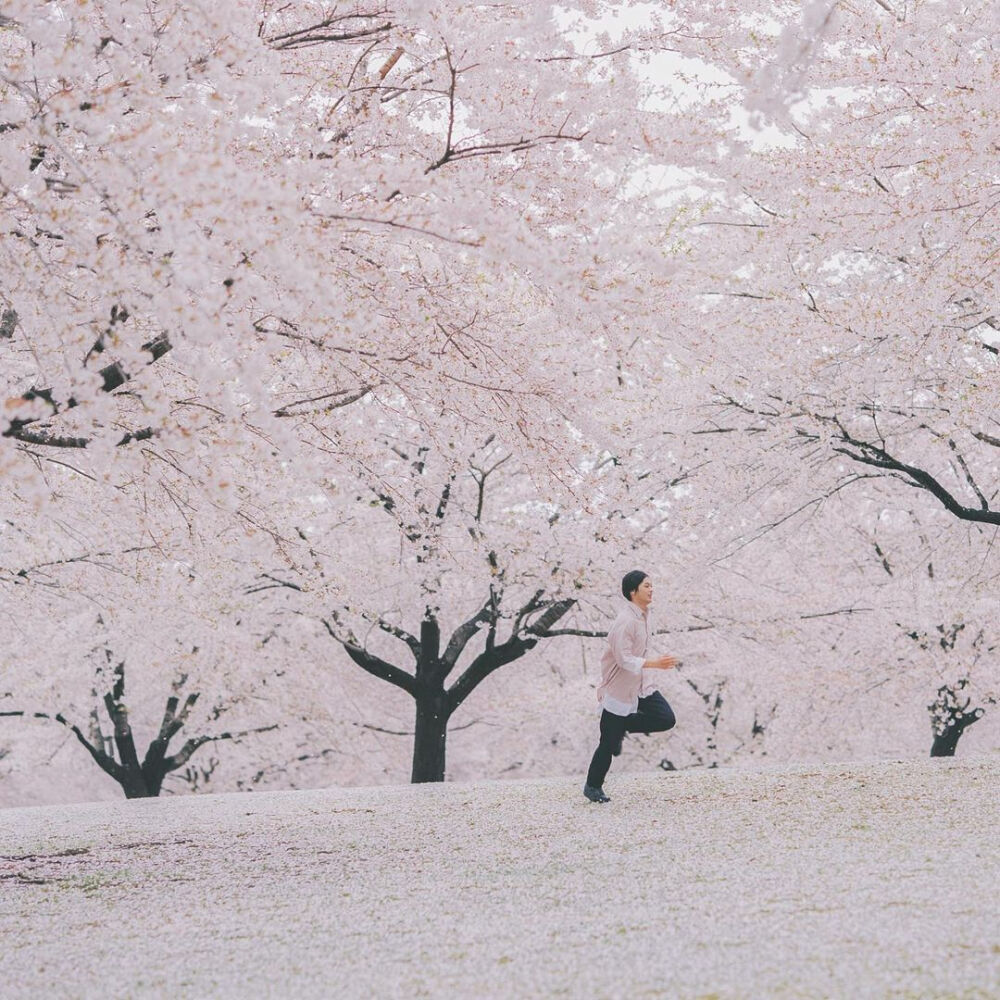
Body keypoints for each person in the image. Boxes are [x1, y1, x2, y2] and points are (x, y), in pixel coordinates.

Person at [583, 570, 678, 803]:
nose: (651, 589)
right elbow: (622, 658)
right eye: (647, 586)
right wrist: (655, 663)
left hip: (642, 683)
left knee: (666, 718)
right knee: (607, 743)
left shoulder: (644, 615)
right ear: (633, 591)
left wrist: (652, 665)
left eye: (651, 585)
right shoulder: (625, 621)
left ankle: (625, 725)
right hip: (619, 688)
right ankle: (593, 787)